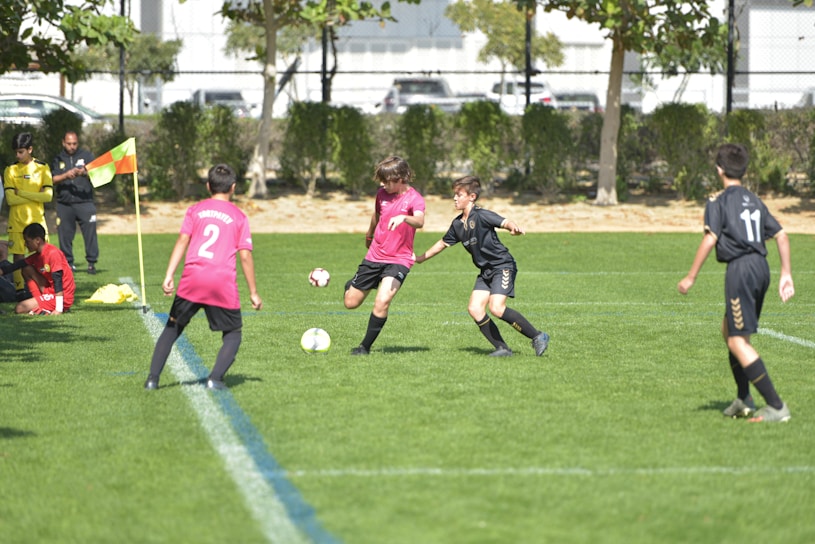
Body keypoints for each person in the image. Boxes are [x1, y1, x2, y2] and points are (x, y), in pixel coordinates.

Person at [678, 143, 794, 423]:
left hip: (741, 270)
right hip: (761, 268)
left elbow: (710, 238)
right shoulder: (754, 200)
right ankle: (744, 398)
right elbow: (781, 235)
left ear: (719, 169)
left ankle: (776, 406)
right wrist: (786, 273)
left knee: (738, 341)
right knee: (729, 329)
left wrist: (691, 277)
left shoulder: (717, 201)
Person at [144, 164, 262, 391]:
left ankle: (152, 380)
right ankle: (215, 379)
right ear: (233, 187)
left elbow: (182, 240)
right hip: (221, 282)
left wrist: (169, 274)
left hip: (193, 279)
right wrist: (254, 293)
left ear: (208, 186)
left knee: (172, 328)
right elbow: (245, 255)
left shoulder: (195, 210)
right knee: (233, 333)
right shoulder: (239, 216)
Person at [415, 176, 549, 357]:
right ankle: (502, 348)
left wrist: (513, 228)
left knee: (497, 308)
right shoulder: (457, 224)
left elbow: (504, 221)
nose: (454, 198)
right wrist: (420, 258)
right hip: (486, 271)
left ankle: (538, 336)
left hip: (502, 266)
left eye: (459, 195)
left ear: (472, 197)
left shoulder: (482, 215)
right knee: (475, 309)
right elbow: (442, 244)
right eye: (454, 195)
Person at [344, 155, 426, 355]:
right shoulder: (381, 194)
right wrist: (369, 234)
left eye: (386, 181)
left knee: (382, 302)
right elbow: (377, 215)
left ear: (401, 178)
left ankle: (364, 347)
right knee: (350, 303)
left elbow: (420, 221)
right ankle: (351, 284)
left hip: (399, 260)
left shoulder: (415, 198)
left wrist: (404, 217)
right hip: (375, 255)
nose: (382, 184)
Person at [3, 132, 53, 291]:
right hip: (17, 222)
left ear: (30, 149)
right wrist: (36, 196)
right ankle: (19, 290)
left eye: (21, 152)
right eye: (16, 152)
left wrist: (22, 193)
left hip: (37, 221)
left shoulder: (42, 168)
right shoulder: (10, 170)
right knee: (18, 257)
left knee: (43, 256)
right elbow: (10, 199)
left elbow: (48, 196)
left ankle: (46, 289)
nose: (17, 155)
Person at [0, 223, 75, 315]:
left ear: (37, 240)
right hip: (49, 292)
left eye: (27, 241)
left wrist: (59, 309)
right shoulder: (38, 255)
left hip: (62, 297)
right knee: (26, 269)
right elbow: (19, 264)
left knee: (20, 308)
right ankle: (40, 303)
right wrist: (2, 271)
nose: (25, 244)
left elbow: (58, 280)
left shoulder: (53, 253)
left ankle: (47, 308)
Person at [51, 131, 99, 274]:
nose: (72, 146)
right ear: (63, 143)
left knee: (90, 234)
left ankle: (91, 263)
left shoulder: (87, 156)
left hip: (85, 201)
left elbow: (97, 173)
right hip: (64, 203)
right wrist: (66, 175)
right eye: (69, 144)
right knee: (64, 235)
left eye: (74, 143)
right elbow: (52, 179)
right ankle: (68, 263)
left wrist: (83, 172)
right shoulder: (58, 158)